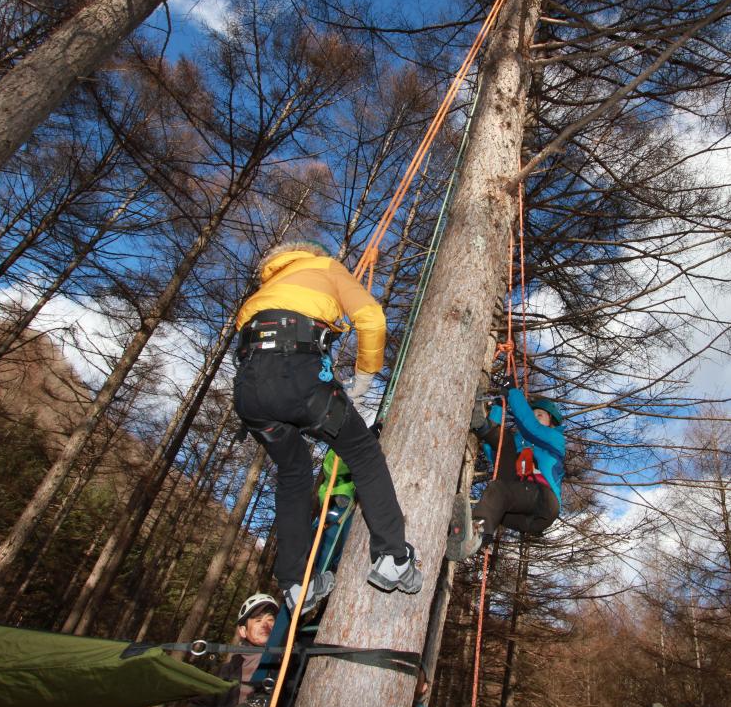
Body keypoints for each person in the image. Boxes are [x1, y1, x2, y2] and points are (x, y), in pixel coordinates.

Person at [233, 241, 421, 613]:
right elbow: (370, 317)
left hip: (250, 391)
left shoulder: (266, 288)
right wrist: (365, 374)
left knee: (293, 471)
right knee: (364, 453)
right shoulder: (326, 267)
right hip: (298, 376)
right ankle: (392, 556)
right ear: (314, 253)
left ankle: (295, 583)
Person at [447, 386, 565, 560]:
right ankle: (471, 536)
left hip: (544, 502)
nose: (534, 417)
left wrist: (512, 393)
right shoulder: (519, 442)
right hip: (516, 512)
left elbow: (531, 428)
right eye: (533, 413)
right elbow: (495, 451)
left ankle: (474, 535)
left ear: (551, 422)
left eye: (539, 414)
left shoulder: (555, 439)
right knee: (504, 445)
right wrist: (498, 407)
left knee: (499, 490)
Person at [183, 593, 279, 707]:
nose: (265, 625)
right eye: (258, 620)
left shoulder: (288, 661)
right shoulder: (225, 674)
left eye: (270, 620)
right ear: (243, 631)